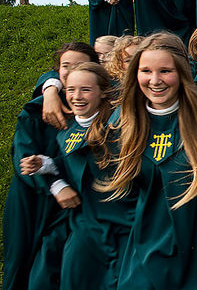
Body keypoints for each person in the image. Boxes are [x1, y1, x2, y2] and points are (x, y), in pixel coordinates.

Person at [97, 32, 197, 289]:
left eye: (165, 71)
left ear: (182, 72)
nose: (155, 80)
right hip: (146, 253)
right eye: (146, 71)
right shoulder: (124, 124)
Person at [20, 62, 137, 289]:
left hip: (125, 221)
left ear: (103, 92)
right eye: (71, 90)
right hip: (87, 223)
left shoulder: (121, 126)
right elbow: (73, 166)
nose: (76, 96)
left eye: (85, 90)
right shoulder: (67, 132)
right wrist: (45, 165)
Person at [3, 43, 97, 289]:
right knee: (19, 260)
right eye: (66, 66)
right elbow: (24, 157)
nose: (71, 71)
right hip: (32, 195)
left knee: (53, 263)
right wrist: (56, 185)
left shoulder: (96, 105)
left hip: (74, 202)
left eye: (79, 65)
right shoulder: (36, 110)